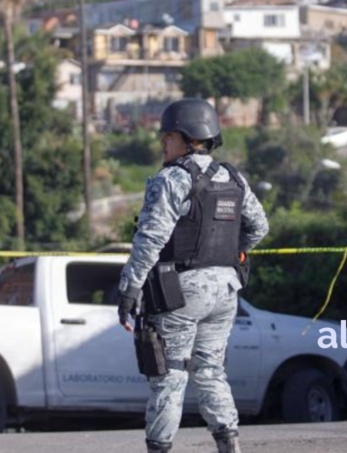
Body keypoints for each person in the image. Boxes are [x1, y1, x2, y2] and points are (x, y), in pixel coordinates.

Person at [117, 98, 270, 453]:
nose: (162, 143)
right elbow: (259, 226)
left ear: (188, 138)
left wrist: (129, 290)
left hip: (180, 291)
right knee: (211, 371)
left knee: (169, 375)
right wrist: (236, 253)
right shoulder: (233, 177)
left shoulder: (171, 179)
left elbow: (150, 239)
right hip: (226, 291)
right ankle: (229, 445)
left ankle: (159, 448)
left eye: (167, 136)